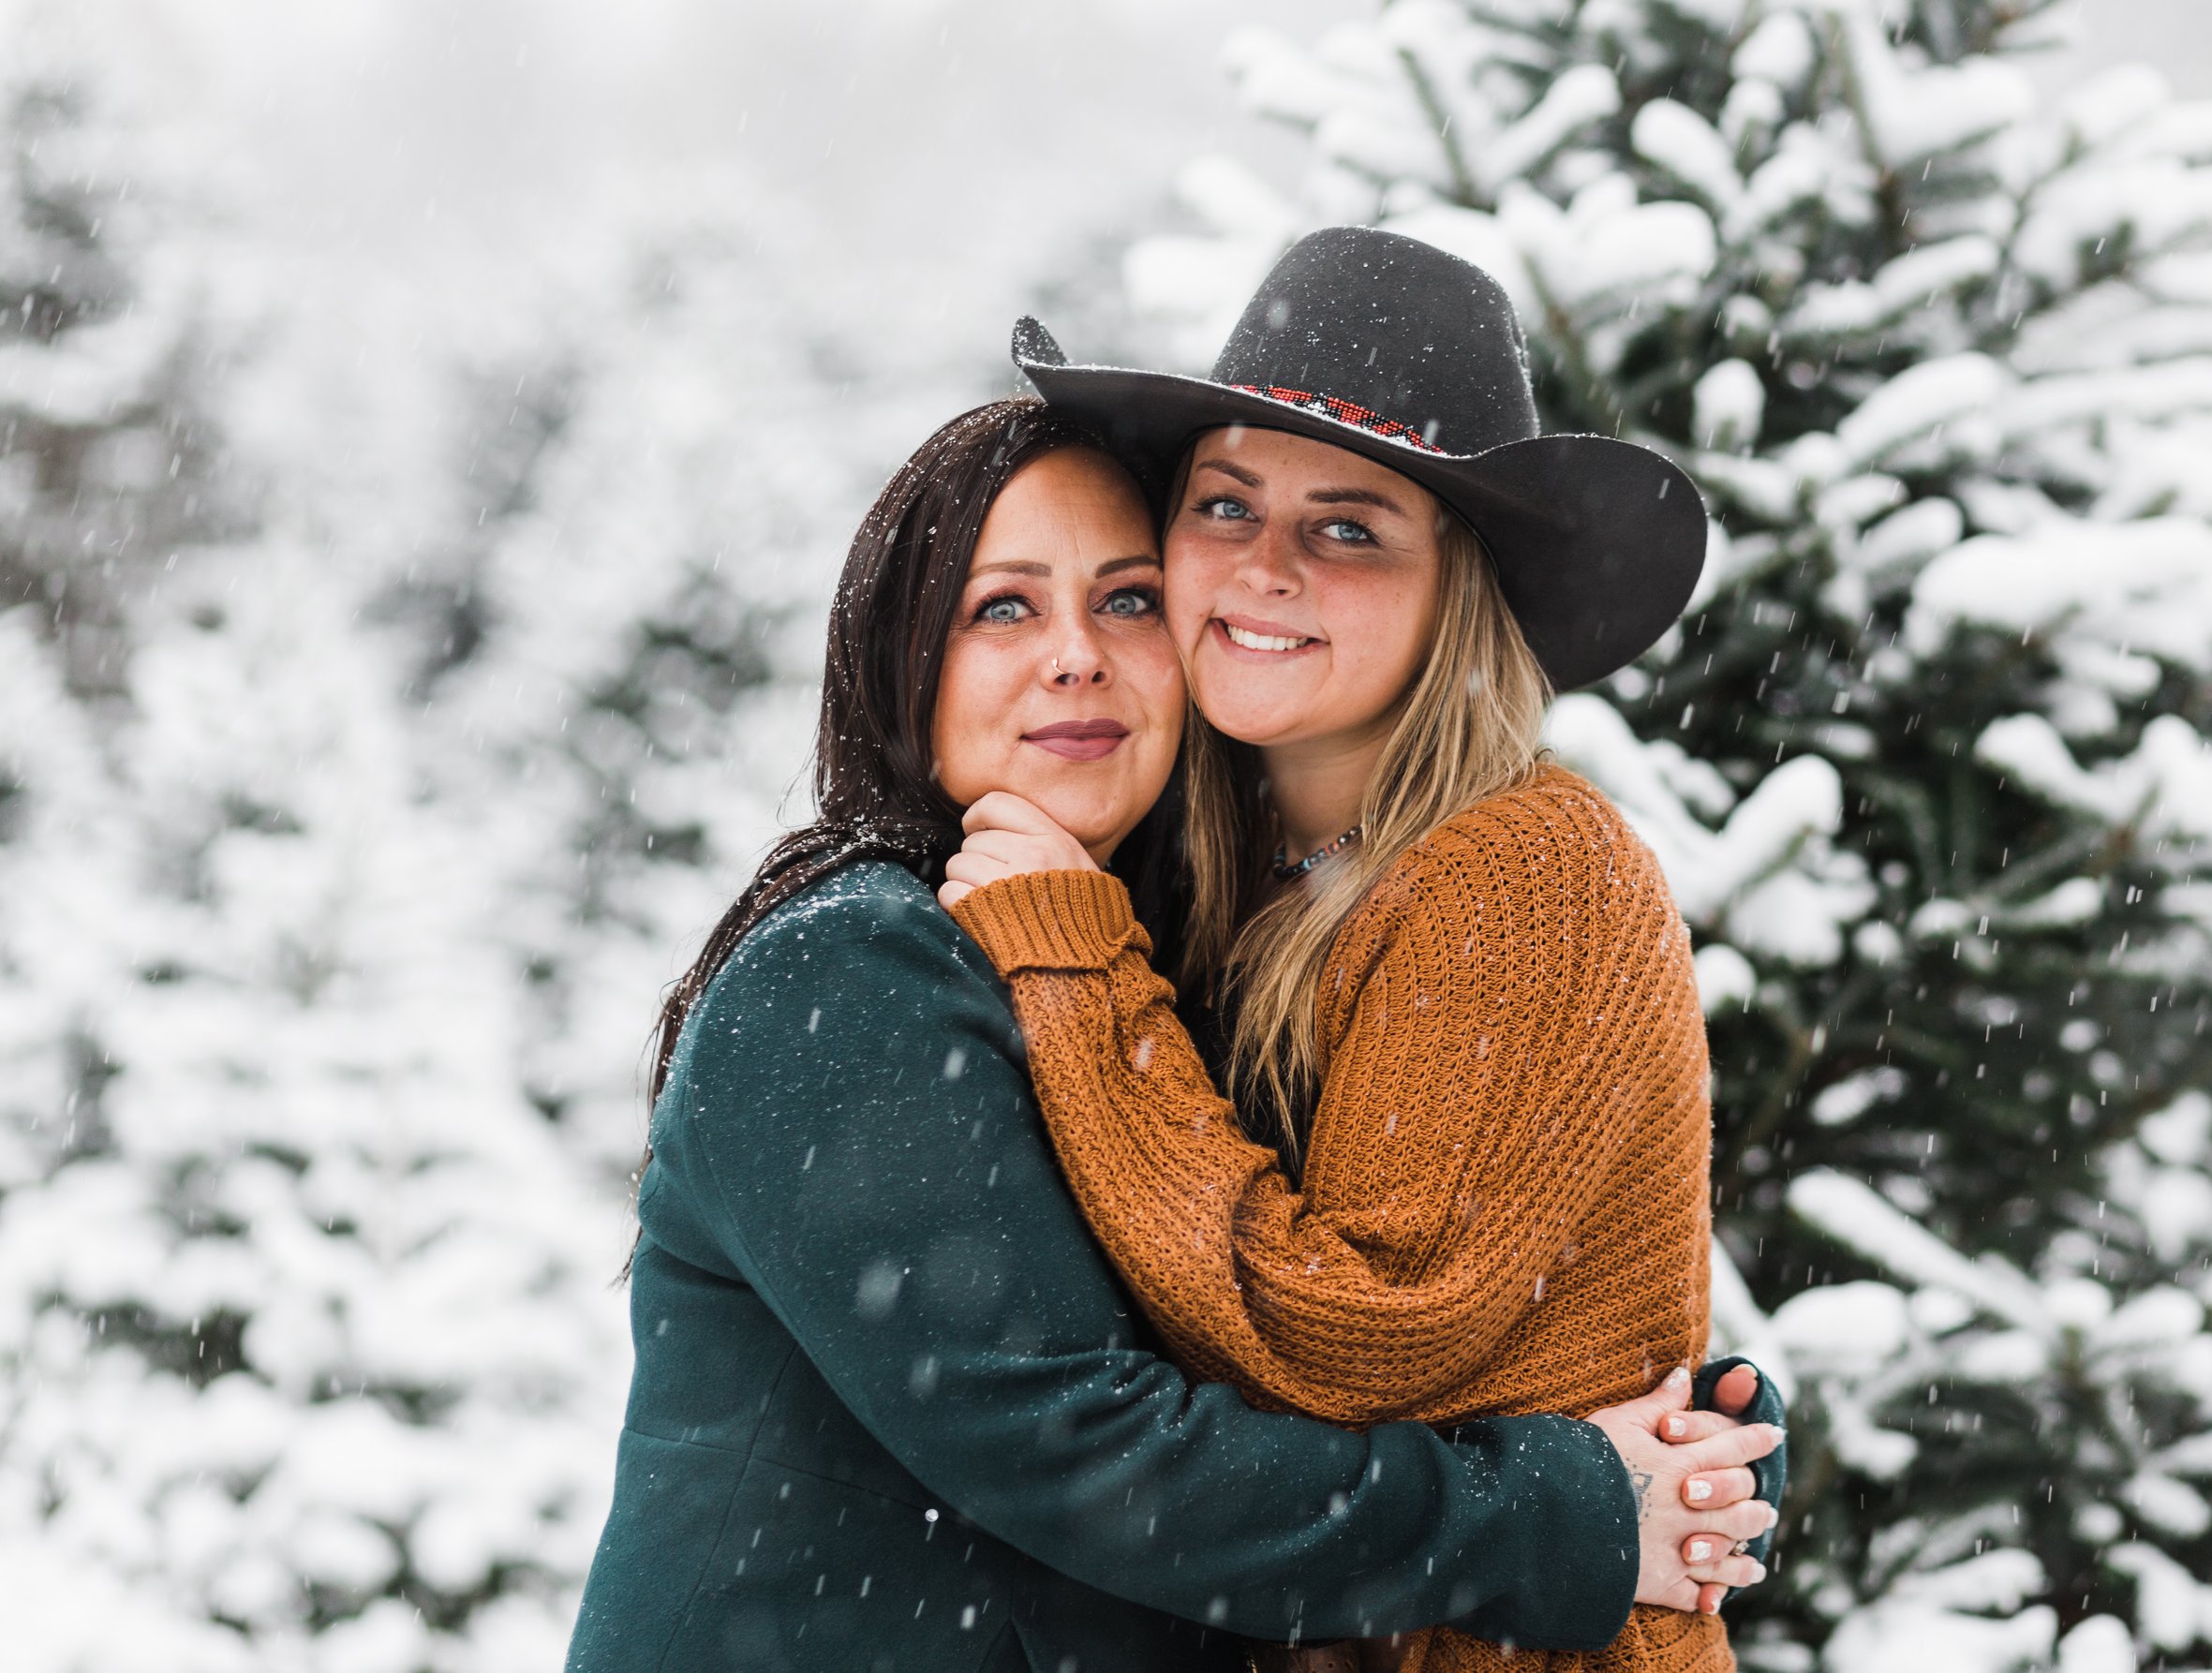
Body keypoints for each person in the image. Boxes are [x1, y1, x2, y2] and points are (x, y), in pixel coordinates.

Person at [566, 394, 1780, 1673]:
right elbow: (1096, 1450)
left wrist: (1694, 1451)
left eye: (1128, 599)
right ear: (900, 653)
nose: (1076, 654)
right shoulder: (854, 966)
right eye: (1004, 607)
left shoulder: (1143, 971)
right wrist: (1569, 1512)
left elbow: (1298, 1326)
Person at [940, 228, 1784, 1673]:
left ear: (1459, 585)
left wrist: (1077, 967)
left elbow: (1353, 1344)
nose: (1263, 568)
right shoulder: (1221, 868)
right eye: (1224, 504)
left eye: (1347, 526)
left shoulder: (1529, 866)